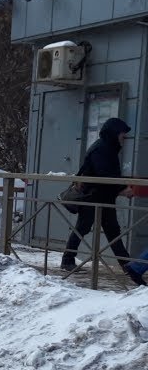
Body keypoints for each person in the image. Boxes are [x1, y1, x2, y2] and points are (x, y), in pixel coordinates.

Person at [61, 117, 142, 284]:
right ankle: (67, 260)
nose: (124, 137)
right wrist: (121, 188)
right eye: (122, 133)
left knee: (112, 231)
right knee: (83, 227)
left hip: (103, 197)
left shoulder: (108, 147)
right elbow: (103, 174)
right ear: (114, 133)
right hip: (93, 197)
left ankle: (127, 265)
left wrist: (123, 185)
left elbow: (109, 174)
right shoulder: (101, 148)